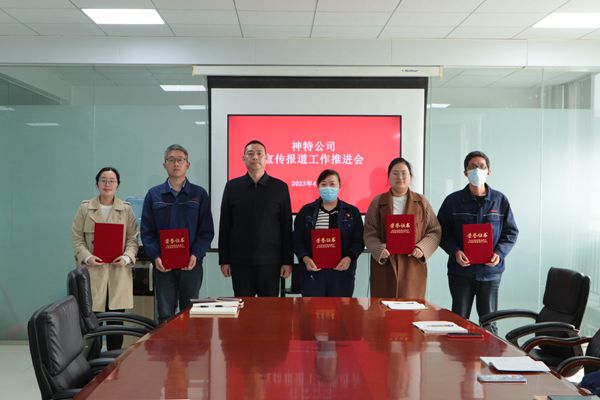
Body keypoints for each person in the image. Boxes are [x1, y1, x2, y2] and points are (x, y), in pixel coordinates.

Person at [437, 150, 518, 332]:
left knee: (489, 323)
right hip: (460, 271)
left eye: (482, 167)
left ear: (489, 171)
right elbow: (441, 232)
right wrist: (455, 251)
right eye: (472, 167)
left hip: (490, 272)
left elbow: (511, 232)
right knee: (458, 321)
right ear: (465, 172)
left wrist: (499, 253)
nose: (477, 171)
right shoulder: (453, 201)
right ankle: (458, 351)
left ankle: (490, 351)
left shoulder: (500, 200)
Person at [141, 144, 214, 324]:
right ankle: (166, 344)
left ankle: (189, 345)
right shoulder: (154, 195)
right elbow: (147, 231)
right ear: (164, 164)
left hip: (191, 264)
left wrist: (196, 254)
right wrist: (156, 256)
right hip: (163, 266)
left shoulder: (199, 194)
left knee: (190, 313)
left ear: (187, 164)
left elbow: (206, 231)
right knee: (165, 314)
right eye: (171, 160)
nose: (176, 164)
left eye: (180, 160)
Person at [71, 167, 139, 350]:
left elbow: (133, 239)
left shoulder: (126, 210)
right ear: (97, 184)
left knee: (116, 324)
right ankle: (91, 363)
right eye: (103, 180)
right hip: (93, 273)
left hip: (118, 273)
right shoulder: (85, 208)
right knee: (91, 324)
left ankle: (114, 363)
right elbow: (77, 238)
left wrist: (126, 257)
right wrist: (87, 257)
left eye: (112, 181)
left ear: (118, 185)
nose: (107, 184)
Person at [219, 139, 293, 296]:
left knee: (269, 309)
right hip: (240, 262)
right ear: (244, 158)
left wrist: (287, 261)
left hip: (271, 262)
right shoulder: (232, 187)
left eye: (259, 153)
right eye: (250, 153)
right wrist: (224, 260)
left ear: (267, 158)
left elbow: (286, 227)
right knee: (244, 308)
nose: (255, 157)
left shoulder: (280, 187)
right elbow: (225, 225)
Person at [363, 157, 441, 299]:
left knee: (411, 308)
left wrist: (422, 248)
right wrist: (379, 249)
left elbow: (434, 230)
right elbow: (369, 231)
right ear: (388, 177)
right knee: (382, 307)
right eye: (395, 173)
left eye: (404, 173)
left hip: (412, 265)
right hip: (385, 264)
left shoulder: (421, 202)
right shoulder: (378, 202)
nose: (400, 177)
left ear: (410, 176)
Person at [293, 169, 364, 297]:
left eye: (332, 184)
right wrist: (305, 258)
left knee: (340, 309)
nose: (328, 188)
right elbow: (297, 239)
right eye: (324, 184)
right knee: (312, 309)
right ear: (318, 187)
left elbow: (359, 240)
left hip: (341, 273)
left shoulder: (352, 212)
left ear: (340, 186)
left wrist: (349, 257)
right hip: (313, 273)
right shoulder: (306, 211)